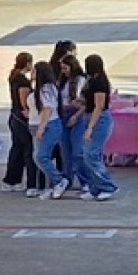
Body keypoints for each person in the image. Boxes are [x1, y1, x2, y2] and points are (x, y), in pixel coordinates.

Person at [80, 54, 118, 201]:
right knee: (88, 155)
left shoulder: (100, 82)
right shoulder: (91, 80)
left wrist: (90, 127)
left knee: (92, 154)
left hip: (99, 119)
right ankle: (95, 187)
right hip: (90, 116)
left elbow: (99, 106)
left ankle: (107, 186)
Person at [2, 52, 38, 195]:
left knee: (17, 148)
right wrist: (27, 111)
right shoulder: (22, 81)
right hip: (20, 118)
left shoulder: (14, 77)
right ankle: (29, 181)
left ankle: (11, 180)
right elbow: (24, 101)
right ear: (28, 63)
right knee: (28, 149)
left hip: (14, 116)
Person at [32, 61, 68, 200]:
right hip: (49, 124)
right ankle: (52, 184)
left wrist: (41, 127)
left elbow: (48, 108)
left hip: (50, 124)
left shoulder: (46, 89)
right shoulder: (47, 88)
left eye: (34, 70)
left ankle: (59, 180)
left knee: (42, 156)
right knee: (40, 156)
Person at [58, 54, 89, 192]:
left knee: (77, 151)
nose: (63, 71)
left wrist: (76, 115)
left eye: (65, 68)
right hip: (63, 114)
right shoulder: (63, 81)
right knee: (65, 151)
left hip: (77, 115)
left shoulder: (81, 80)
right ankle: (67, 179)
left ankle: (85, 181)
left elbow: (84, 102)